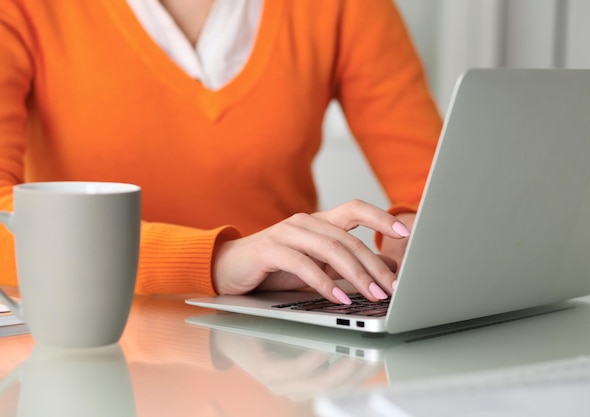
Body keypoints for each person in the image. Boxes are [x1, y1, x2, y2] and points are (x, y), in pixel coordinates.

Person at [0, 0, 442, 304]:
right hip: (85, 345)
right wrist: (217, 261)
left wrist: (419, 239)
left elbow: (438, 190)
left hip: (278, 351)